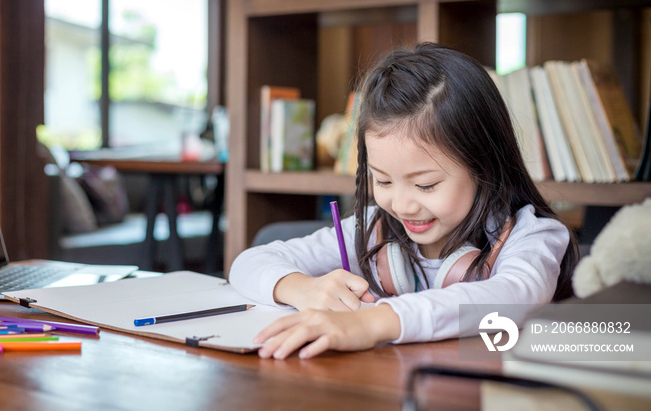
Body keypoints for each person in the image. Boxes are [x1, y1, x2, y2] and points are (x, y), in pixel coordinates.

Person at [229, 42, 578, 360]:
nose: (402, 204)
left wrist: (375, 322)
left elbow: (513, 296)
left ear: (483, 165)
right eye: (382, 180)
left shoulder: (532, 236)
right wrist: (303, 289)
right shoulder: (372, 230)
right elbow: (248, 263)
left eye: (425, 185)